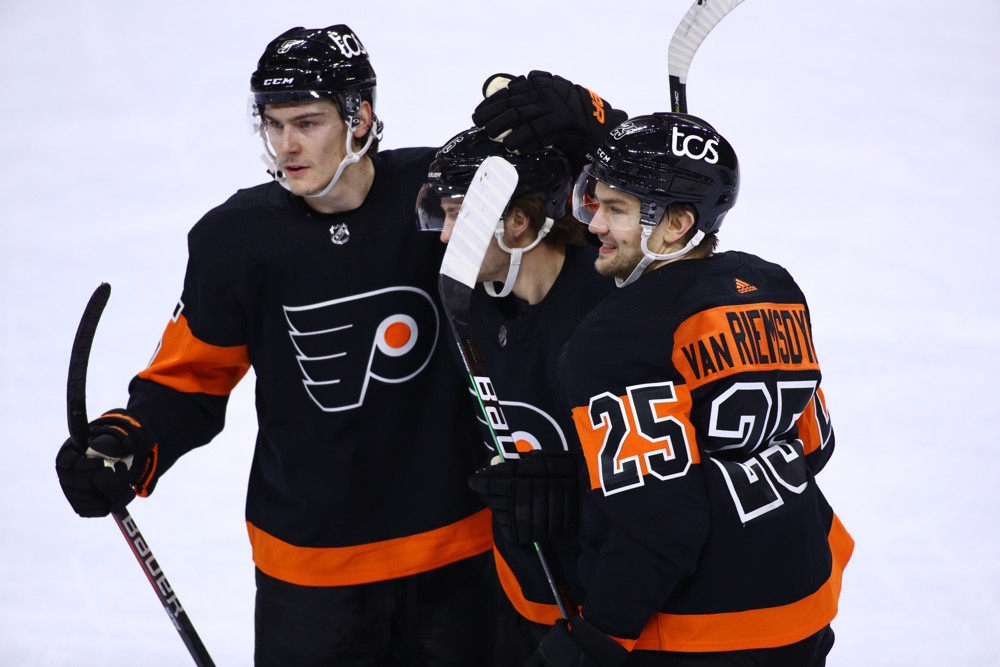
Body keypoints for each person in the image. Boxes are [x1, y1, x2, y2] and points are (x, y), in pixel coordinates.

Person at [55, 25, 500, 666]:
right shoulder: (237, 239)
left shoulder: (443, 200)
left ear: (361, 118)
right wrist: (127, 440)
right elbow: (191, 380)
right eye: (273, 124)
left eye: (308, 122)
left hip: (463, 550)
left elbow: (553, 268)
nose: (286, 145)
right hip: (311, 571)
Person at [529, 113, 855, 666]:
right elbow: (814, 446)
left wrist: (596, 639)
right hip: (805, 598)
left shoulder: (615, 336)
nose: (594, 226)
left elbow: (658, 524)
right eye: (595, 202)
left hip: (702, 632)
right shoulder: (772, 286)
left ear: (677, 223)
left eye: (617, 210)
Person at [415, 126, 617, 664]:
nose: (443, 236)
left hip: (611, 618)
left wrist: (574, 490)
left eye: (459, 215)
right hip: (523, 598)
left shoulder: (608, 311)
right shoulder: (470, 302)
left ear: (517, 223)